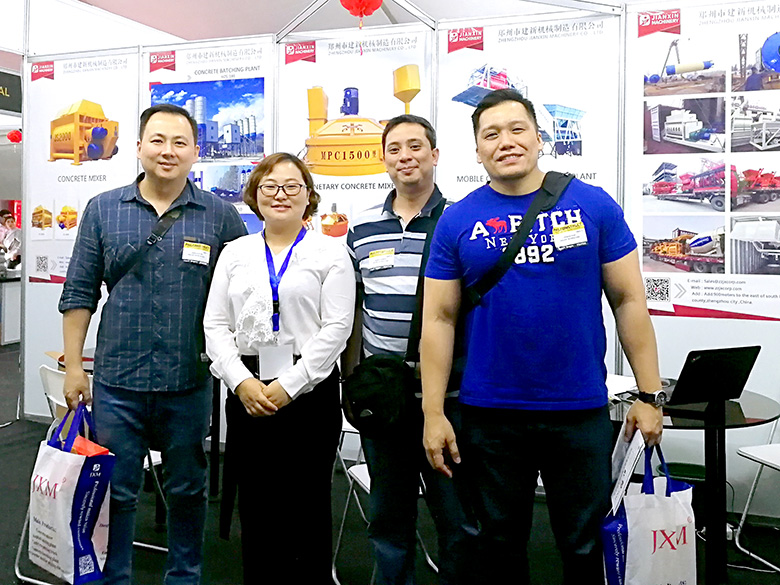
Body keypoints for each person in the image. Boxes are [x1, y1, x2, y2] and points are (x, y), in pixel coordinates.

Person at [420, 89, 663, 585]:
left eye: (517, 129)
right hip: (490, 413)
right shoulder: (457, 219)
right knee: (500, 545)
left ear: (538, 138)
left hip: (578, 410)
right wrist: (433, 412)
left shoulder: (592, 205)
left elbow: (629, 301)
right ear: (477, 150)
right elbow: (438, 320)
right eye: (491, 134)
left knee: (585, 545)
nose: (506, 142)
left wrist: (650, 395)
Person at [59, 103, 247, 585]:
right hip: (118, 381)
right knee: (117, 491)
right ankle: (115, 578)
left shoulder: (220, 216)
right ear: (139, 146)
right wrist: (75, 367)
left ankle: (184, 577)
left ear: (195, 151)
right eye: (158, 140)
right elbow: (79, 292)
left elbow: (241, 296)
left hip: (188, 380)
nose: (168, 151)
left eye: (180, 142)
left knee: (187, 490)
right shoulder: (103, 209)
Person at [203, 152, 355, 584]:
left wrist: (291, 384)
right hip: (248, 391)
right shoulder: (235, 253)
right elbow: (215, 325)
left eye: (292, 186)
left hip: (310, 394)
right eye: (269, 186)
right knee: (257, 506)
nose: (281, 194)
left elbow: (337, 329)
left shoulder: (330, 253)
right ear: (255, 195)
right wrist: (240, 381)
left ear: (308, 196)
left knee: (308, 505)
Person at [343, 115, 476, 585]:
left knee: (458, 520)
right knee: (388, 519)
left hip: (452, 399)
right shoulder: (361, 228)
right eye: (395, 148)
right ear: (383, 159)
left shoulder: (462, 221)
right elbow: (354, 311)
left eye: (416, 146)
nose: (406, 157)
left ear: (435, 155)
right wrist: (353, 382)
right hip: (387, 402)